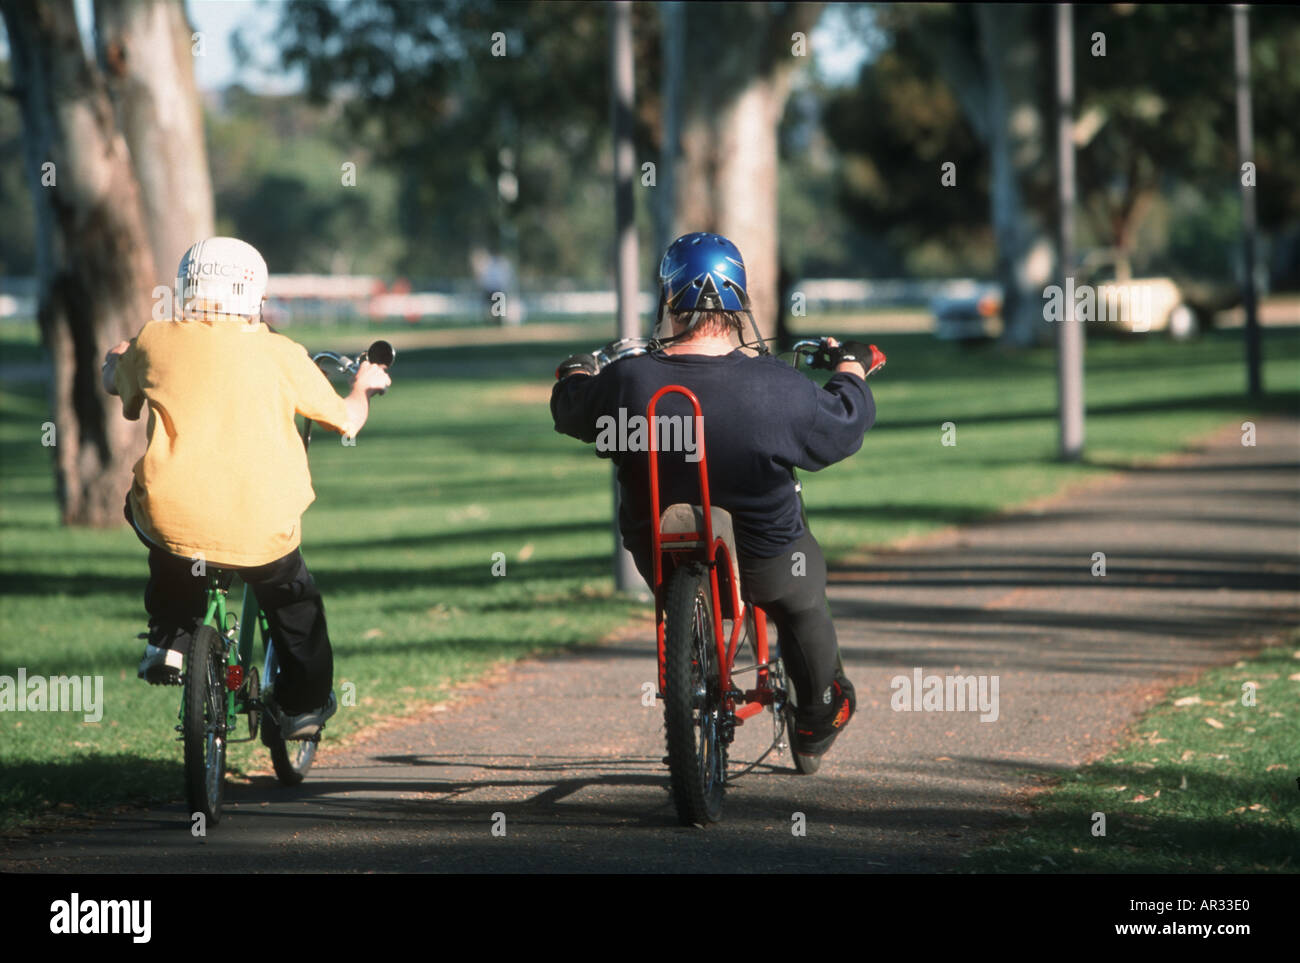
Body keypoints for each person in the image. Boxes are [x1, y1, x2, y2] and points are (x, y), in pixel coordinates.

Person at [550, 231, 883, 760]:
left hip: (657, 552)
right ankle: (820, 716)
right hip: (767, 558)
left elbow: (570, 410)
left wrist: (575, 373)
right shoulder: (779, 386)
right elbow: (844, 427)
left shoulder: (626, 382)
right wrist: (852, 368)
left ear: (669, 300)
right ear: (740, 301)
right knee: (802, 599)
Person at [102, 236, 391, 738]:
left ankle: (169, 640)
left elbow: (115, 379)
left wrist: (115, 358)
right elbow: (346, 421)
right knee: (296, 607)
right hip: (262, 529)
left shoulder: (155, 339)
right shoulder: (283, 354)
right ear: (255, 293)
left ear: (185, 287)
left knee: (158, 527)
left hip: (174, 516)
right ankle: (301, 707)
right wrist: (363, 386)